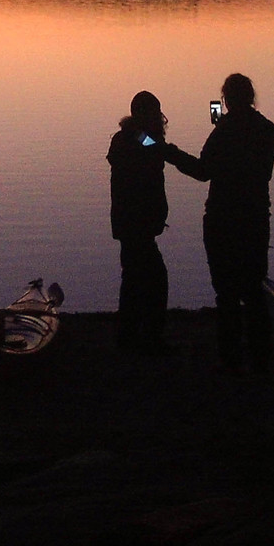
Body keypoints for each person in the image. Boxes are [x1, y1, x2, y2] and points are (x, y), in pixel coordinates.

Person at [166, 73, 274, 373]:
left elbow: (204, 171)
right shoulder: (269, 131)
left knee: (227, 294)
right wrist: (225, 126)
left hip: (222, 219)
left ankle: (231, 359)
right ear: (252, 97)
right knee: (254, 291)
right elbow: (258, 166)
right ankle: (261, 357)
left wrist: (171, 153)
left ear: (227, 100)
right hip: (255, 218)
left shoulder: (224, 131)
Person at [106, 90, 179, 355]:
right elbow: (155, 149)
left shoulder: (128, 138)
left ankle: (129, 337)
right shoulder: (139, 139)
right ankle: (147, 339)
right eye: (155, 113)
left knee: (134, 280)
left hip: (130, 225)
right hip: (137, 226)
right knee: (154, 281)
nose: (160, 118)